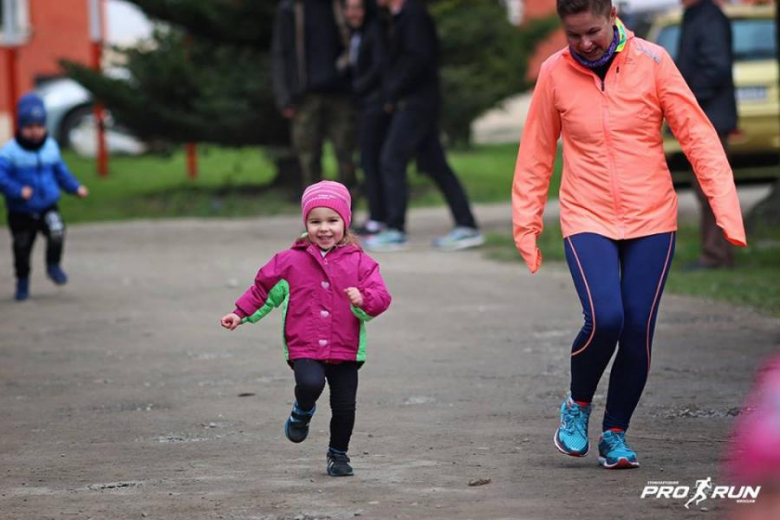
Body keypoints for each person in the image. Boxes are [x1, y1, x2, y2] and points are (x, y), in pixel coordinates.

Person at [512, 0, 746, 469]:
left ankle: (615, 433)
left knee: (638, 328)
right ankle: (577, 404)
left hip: (651, 217)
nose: (583, 44)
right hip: (587, 215)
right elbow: (536, 153)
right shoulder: (554, 73)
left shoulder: (654, 61)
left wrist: (725, 208)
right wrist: (527, 225)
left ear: (613, 14)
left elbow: (698, 135)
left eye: (592, 32)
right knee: (606, 319)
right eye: (573, 35)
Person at [220, 180, 391, 477]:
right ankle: (302, 409)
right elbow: (263, 290)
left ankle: (338, 455)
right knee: (311, 384)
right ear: (306, 224)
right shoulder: (290, 261)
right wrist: (240, 314)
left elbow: (381, 297)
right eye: (315, 221)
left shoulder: (361, 263)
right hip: (305, 344)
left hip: (345, 346)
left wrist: (363, 300)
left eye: (332, 221)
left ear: (345, 222)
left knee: (344, 407)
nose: (324, 228)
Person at [363, 0, 484, 252]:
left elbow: (419, 60)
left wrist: (393, 92)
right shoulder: (397, 17)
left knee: (392, 159)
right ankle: (467, 226)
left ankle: (395, 229)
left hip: (416, 103)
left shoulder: (413, 14)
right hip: (413, 101)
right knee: (435, 164)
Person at [0, 93, 89, 301]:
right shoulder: (10, 152)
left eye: (39, 127)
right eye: (29, 127)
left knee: (57, 231)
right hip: (21, 210)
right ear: (20, 127)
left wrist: (75, 188)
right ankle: (22, 281)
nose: (34, 132)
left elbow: (61, 172)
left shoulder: (50, 148)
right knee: (22, 248)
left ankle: (53, 264)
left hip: (47, 206)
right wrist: (17, 191)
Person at [271, 0, 358, 194]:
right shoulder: (291, 8)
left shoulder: (340, 5)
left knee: (345, 153)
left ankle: (347, 213)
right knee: (308, 158)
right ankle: (314, 214)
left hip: (340, 93)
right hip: (305, 96)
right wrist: (284, 96)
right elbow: (280, 53)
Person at [677, 0, 738, 269]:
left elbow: (717, 67)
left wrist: (688, 98)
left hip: (709, 118)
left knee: (711, 189)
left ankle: (716, 255)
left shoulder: (709, 18)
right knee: (705, 189)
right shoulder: (696, 16)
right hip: (703, 117)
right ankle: (714, 252)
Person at [344, 0, 391, 236]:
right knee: (368, 160)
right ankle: (378, 214)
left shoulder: (374, 31)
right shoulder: (356, 35)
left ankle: (379, 216)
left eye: (358, 8)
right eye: (349, 8)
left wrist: (359, 86)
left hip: (375, 105)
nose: (353, 13)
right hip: (365, 104)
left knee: (371, 160)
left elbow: (379, 66)